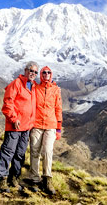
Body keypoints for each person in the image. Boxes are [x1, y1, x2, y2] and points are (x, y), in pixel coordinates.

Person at [0, 61, 38, 193]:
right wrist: (14, 118)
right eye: (31, 71)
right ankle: (1, 179)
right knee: (8, 152)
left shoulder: (34, 86)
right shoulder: (17, 84)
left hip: (26, 127)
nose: (33, 74)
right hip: (15, 125)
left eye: (35, 72)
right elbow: (8, 102)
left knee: (19, 154)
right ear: (25, 70)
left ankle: (14, 178)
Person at [27, 66, 62, 195]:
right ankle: (34, 179)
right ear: (41, 75)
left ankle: (47, 179)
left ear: (51, 75)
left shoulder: (56, 90)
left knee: (47, 151)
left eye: (48, 72)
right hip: (36, 124)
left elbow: (58, 108)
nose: (46, 74)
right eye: (44, 72)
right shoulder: (35, 87)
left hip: (50, 125)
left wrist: (58, 128)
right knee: (34, 151)